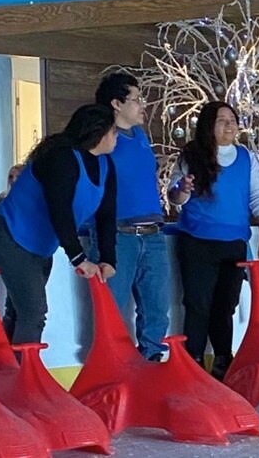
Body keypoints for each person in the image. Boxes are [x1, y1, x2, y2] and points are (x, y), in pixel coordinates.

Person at [0, 104, 118, 344]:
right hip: (10, 234)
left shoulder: (106, 165)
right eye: (113, 132)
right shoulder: (61, 157)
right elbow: (60, 210)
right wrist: (78, 257)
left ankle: (4, 365)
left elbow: (107, 216)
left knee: (19, 309)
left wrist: (108, 258)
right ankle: (24, 374)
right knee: (34, 312)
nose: (116, 136)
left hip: (39, 244)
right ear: (98, 134)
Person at [168, 101, 259, 379]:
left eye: (232, 119)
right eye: (221, 120)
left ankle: (223, 361)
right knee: (197, 304)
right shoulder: (191, 155)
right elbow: (175, 198)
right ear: (208, 126)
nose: (229, 125)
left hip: (234, 243)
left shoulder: (245, 157)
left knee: (225, 306)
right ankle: (192, 365)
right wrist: (182, 188)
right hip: (198, 240)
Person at [93, 72, 171, 361]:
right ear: (116, 103)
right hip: (118, 234)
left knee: (157, 308)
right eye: (137, 100)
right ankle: (111, 366)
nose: (142, 106)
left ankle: (152, 362)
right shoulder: (101, 140)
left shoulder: (139, 135)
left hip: (153, 233)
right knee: (111, 308)